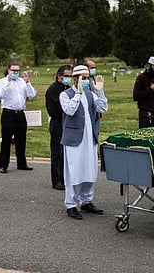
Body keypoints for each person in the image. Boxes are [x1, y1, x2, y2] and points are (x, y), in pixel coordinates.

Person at [60, 65, 108, 220]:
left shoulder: (90, 94)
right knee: (74, 172)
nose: (87, 81)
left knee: (89, 170)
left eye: (88, 78)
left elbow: (102, 108)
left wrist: (99, 91)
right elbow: (70, 110)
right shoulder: (65, 95)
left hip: (90, 138)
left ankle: (86, 201)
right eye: (84, 78)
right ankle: (71, 204)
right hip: (74, 139)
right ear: (75, 79)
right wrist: (78, 94)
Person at [0, 62, 37, 173]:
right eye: (13, 70)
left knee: (21, 139)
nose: (15, 72)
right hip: (8, 113)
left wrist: (28, 82)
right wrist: (9, 82)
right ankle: (3, 165)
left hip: (20, 113)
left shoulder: (22, 82)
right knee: (6, 140)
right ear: (8, 70)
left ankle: (22, 163)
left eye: (17, 70)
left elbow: (32, 94)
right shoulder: (3, 81)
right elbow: (1, 95)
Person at [45, 65, 72, 191]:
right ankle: (56, 180)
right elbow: (54, 109)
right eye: (66, 76)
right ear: (59, 76)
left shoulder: (68, 88)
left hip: (67, 123)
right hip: (57, 123)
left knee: (65, 153)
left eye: (70, 76)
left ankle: (64, 177)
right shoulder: (53, 89)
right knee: (57, 152)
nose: (68, 78)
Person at [132, 56, 154, 128]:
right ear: (150, 66)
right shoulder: (141, 78)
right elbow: (135, 96)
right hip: (145, 111)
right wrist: (150, 90)